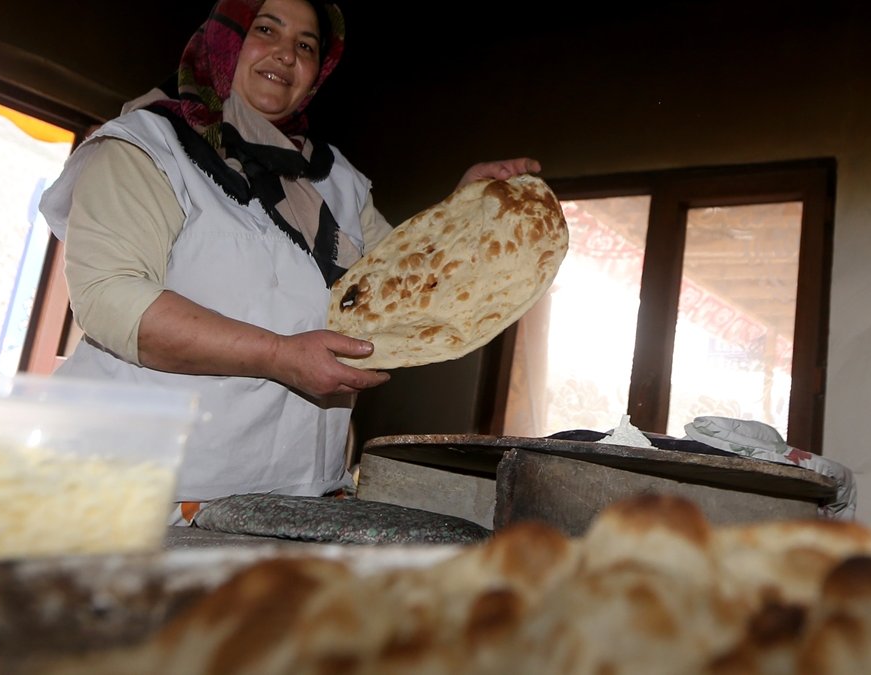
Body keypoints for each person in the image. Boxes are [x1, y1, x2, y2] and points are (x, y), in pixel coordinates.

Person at [38, 0, 540, 525]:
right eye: (266, 29)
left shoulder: (333, 180)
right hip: (141, 494)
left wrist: (465, 211)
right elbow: (112, 300)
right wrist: (279, 355)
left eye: (306, 45)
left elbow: (404, 295)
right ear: (224, 40)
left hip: (293, 495)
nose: (286, 53)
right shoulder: (151, 148)